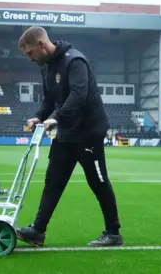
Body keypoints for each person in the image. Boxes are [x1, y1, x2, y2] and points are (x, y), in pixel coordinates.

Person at [15, 26, 123, 247]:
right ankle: (38, 231)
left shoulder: (75, 61)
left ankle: (113, 233)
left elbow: (79, 94)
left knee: (98, 181)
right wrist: (38, 116)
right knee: (53, 181)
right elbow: (49, 99)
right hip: (66, 131)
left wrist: (56, 117)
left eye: (30, 53)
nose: (29, 58)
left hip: (89, 131)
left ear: (42, 45)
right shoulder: (46, 67)